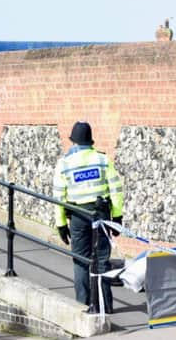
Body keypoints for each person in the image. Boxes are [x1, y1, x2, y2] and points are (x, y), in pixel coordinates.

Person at [53, 121, 124, 314]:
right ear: (90, 140)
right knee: (102, 259)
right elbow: (116, 190)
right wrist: (117, 218)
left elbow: (59, 196)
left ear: (74, 141)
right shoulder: (102, 160)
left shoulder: (64, 164)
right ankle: (105, 306)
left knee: (80, 260)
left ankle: (83, 305)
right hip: (100, 214)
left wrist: (61, 224)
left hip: (77, 215)